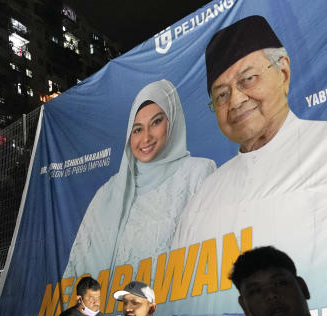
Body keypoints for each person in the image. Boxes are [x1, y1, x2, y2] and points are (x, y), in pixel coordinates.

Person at [173, 15, 327, 309]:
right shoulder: (203, 197)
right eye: (221, 95)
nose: (235, 101)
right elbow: (184, 295)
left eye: (248, 79)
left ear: (283, 72)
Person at [64, 80, 215, 280]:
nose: (145, 138)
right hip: (109, 309)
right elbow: (76, 269)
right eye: (137, 129)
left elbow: (207, 259)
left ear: (173, 120)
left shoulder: (198, 173)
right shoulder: (108, 192)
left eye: (156, 122)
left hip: (169, 308)